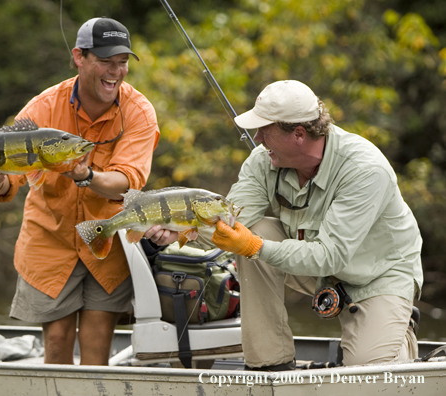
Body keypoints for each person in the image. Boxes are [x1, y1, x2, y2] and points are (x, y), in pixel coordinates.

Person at [146, 80, 423, 370]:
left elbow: (330, 256)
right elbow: (230, 225)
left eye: (265, 130)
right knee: (254, 232)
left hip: (377, 275)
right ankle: (269, 363)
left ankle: (399, 328)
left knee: (368, 375)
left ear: (299, 134)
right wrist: (180, 231)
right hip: (315, 268)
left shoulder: (365, 170)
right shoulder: (263, 160)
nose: (257, 137)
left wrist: (254, 246)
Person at [0, 17, 160, 365]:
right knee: (57, 339)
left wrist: (86, 174)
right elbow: (9, 179)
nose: (116, 72)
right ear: (79, 57)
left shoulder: (139, 112)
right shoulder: (43, 107)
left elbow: (128, 181)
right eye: (106, 61)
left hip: (106, 241)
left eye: (122, 63)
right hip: (49, 238)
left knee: (97, 342)